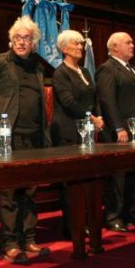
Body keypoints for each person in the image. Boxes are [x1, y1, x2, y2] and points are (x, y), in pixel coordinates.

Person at [0, 15, 52, 264]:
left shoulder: (38, 67)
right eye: (17, 38)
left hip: (34, 137)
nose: (22, 42)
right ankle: (9, 244)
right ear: (11, 40)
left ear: (34, 42)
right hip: (8, 139)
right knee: (9, 192)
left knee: (29, 191)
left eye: (27, 38)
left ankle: (28, 239)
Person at [96, 32, 135, 232]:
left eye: (132, 41)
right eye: (127, 42)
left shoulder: (132, 69)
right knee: (118, 176)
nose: (132, 45)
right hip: (121, 131)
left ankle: (131, 213)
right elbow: (107, 100)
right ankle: (114, 217)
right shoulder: (107, 69)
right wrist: (119, 127)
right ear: (114, 47)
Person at [51, 29, 104, 237]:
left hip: (87, 132)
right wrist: (92, 118)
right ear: (64, 48)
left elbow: (94, 98)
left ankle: (88, 221)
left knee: (87, 179)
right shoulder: (60, 73)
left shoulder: (86, 71)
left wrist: (99, 118)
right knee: (71, 183)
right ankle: (73, 227)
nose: (81, 47)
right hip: (67, 132)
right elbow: (68, 103)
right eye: (76, 44)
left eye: (81, 44)